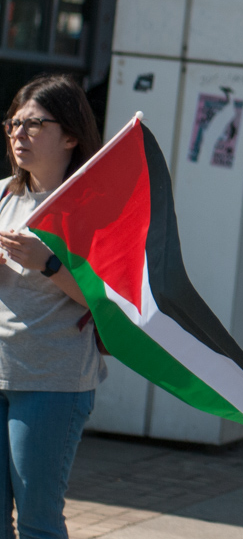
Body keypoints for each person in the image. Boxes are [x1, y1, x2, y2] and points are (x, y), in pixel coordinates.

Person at [0, 74, 106, 539]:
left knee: (39, 521)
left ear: (70, 136)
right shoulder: (3, 194)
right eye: (14, 123)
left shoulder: (94, 208)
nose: (18, 134)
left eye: (34, 124)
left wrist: (49, 264)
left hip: (52, 384)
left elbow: (110, 303)